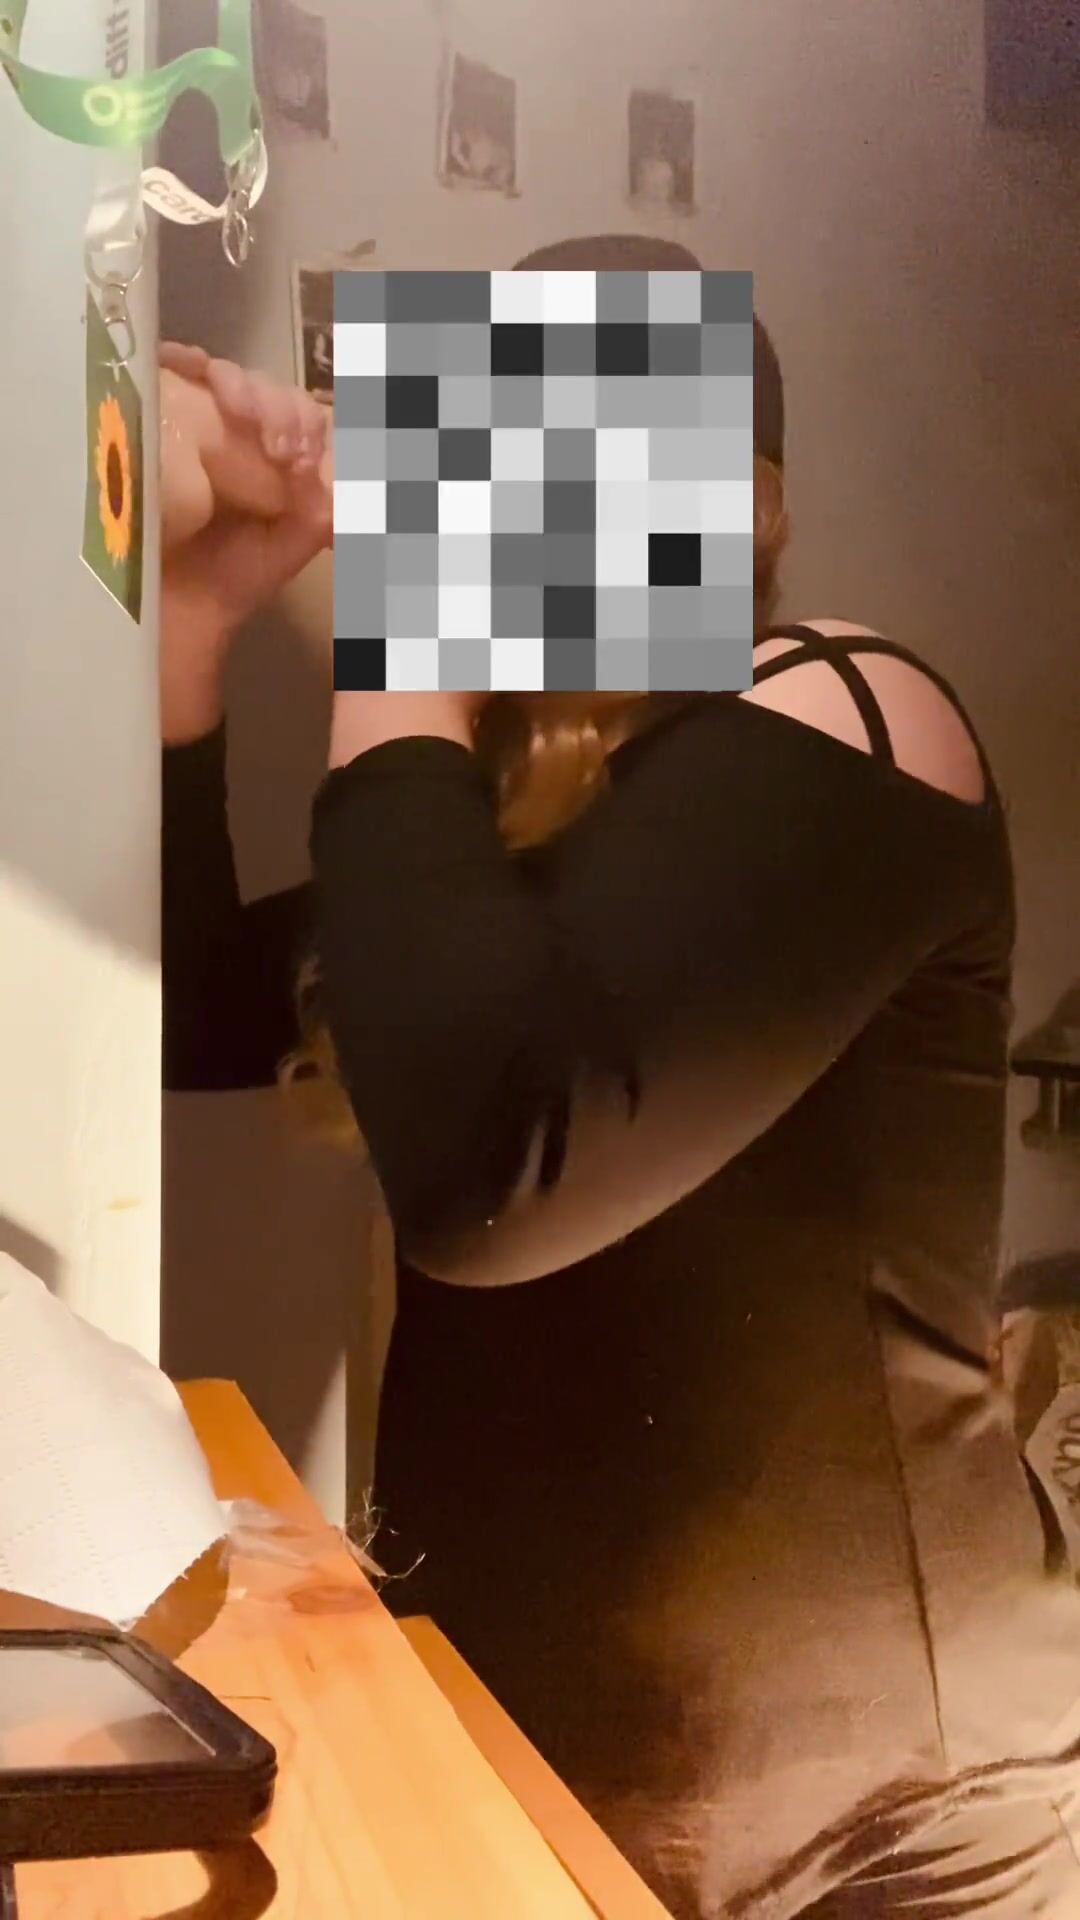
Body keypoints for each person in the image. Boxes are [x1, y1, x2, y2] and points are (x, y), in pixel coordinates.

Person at [160, 237, 1080, 1918]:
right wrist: (205, 610)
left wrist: (405, 645)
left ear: (758, 509)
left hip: (892, 1825)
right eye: (487, 443)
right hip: (549, 1764)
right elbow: (193, 1011)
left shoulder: (855, 702)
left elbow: (495, 1173)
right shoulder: (512, 825)